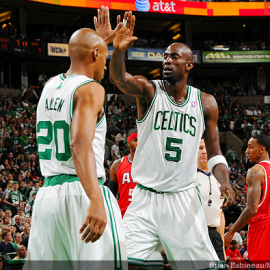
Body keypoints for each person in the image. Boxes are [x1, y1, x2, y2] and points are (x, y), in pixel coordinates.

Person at [109, 11, 233, 269]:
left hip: (182, 201)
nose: (167, 60)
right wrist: (118, 51)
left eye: (174, 57)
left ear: (189, 65)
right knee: (127, 263)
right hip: (144, 198)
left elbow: (215, 153)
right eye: (165, 56)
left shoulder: (206, 102)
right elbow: (119, 79)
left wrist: (225, 181)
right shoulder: (149, 90)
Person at [25, 7, 127, 270]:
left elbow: (79, 58)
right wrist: (95, 198)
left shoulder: (48, 86)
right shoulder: (92, 89)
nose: (105, 65)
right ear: (95, 54)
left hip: (47, 197)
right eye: (104, 57)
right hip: (82, 192)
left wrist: (98, 41)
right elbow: (79, 143)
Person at [225, 134, 270, 266]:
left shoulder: (255, 171)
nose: (246, 151)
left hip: (262, 230)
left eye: (250, 147)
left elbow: (251, 209)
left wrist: (232, 230)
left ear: (262, 150)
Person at [197, 138, 225, 261]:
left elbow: (220, 214)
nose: (204, 152)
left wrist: (222, 246)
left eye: (206, 148)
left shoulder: (219, 178)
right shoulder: (187, 177)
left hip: (214, 235)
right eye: (200, 148)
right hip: (194, 234)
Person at [109, 132, 138, 217]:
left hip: (145, 216)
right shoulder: (117, 164)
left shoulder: (151, 164)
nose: (139, 143)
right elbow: (112, 193)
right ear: (128, 143)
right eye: (135, 140)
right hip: (123, 215)